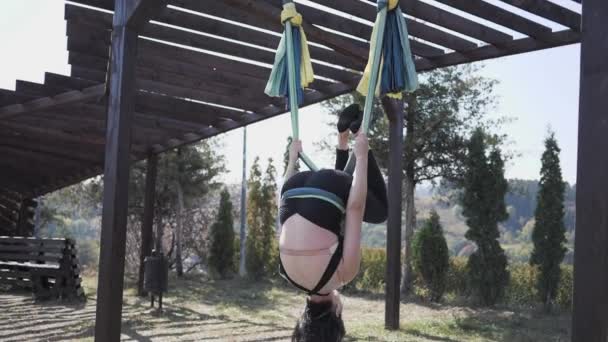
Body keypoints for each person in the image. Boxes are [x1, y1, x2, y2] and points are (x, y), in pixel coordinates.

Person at [279, 104, 388, 342]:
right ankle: (342, 137)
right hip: (293, 185)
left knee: (380, 212)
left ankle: (354, 134)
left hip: (328, 187)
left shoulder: (344, 274)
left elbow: (355, 208)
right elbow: (285, 211)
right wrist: (291, 161)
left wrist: (362, 155)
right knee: (334, 212)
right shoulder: (288, 275)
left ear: (337, 314)